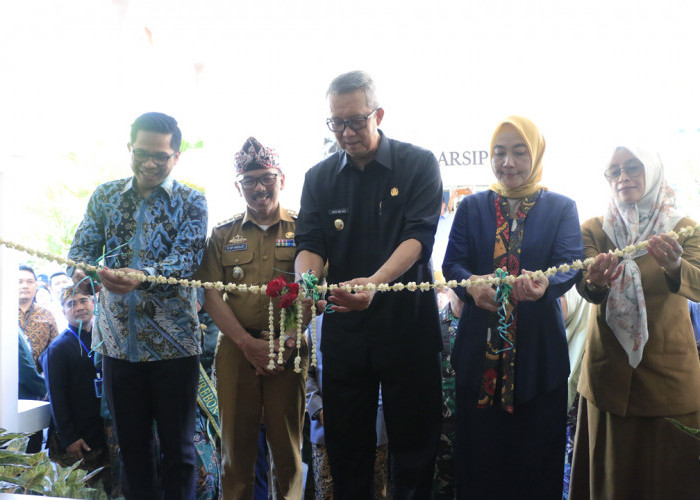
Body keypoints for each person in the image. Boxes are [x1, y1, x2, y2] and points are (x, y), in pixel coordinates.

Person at [294, 70, 443, 498]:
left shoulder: (418, 164)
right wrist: (308, 280)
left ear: (378, 114)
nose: (346, 132)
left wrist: (375, 283)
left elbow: (419, 237)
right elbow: (310, 243)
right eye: (336, 123)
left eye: (355, 121)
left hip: (407, 330)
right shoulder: (319, 178)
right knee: (348, 453)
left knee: (415, 451)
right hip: (345, 334)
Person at [67, 111, 208, 499]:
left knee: (179, 452)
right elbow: (78, 253)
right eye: (142, 152)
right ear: (130, 147)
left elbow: (186, 262)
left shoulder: (192, 202)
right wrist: (97, 273)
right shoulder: (105, 196)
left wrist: (139, 276)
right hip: (118, 347)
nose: (150, 162)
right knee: (130, 451)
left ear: (176, 156)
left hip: (175, 347)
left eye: (160, 156)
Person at [442, 116, 583, 499]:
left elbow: (571, 262)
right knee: (480, 459)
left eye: (519, 152)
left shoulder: (560, 207)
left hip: (539, 356)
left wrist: (544, 287)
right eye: (499, 152)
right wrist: (471, 286)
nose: (508, 163)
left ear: (535, 154)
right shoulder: (472, 207)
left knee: (535, 459)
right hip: (479, 354)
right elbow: (452, 264)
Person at [569, 146, 700, 499]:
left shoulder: (684, 229)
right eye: (614, 172)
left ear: (654, 171)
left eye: (633, 168)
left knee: (669, 478)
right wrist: (595, 281)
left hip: (668, 379)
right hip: (608, 378)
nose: (623, 177)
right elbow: (585, 287)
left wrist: (675, 267)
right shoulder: (595, 229)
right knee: (613, 480)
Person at [196, 137, 307, 499]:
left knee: (287, 450)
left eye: (266, 177)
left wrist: (286, 342)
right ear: (238, 186)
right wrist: (248, 345)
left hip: (289, 349)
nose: (259, 188)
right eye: (250, 180)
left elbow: (312, 288)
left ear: (282, 179)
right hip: (237, 349)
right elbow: (210, 294)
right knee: (235, 451)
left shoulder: (304, 230)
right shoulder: (222, 235)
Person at [305, 314, 391, 499]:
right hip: (325, 425)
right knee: (328, 492)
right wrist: (319, 409)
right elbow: (306, 373)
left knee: (374, 490)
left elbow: (386, 374)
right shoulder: (316, 323)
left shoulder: (377, 319)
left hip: (372, 422)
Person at [40, 286, 108, 475]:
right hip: (78, 437)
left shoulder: (105, 339)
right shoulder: (58, 349)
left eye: (83, 300)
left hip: (103, 431)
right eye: (72, 304)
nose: (79, 307)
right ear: (63, 311)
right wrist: (69, 437)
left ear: (93, 303)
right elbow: (56, 397)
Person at [18, 264, 59, 366]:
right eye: (19, 282)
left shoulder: (47, 315)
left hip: (38, 379)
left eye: (29, 282)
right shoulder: (4, 313)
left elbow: (55, 351)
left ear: (36, 285)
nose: (25, 286)